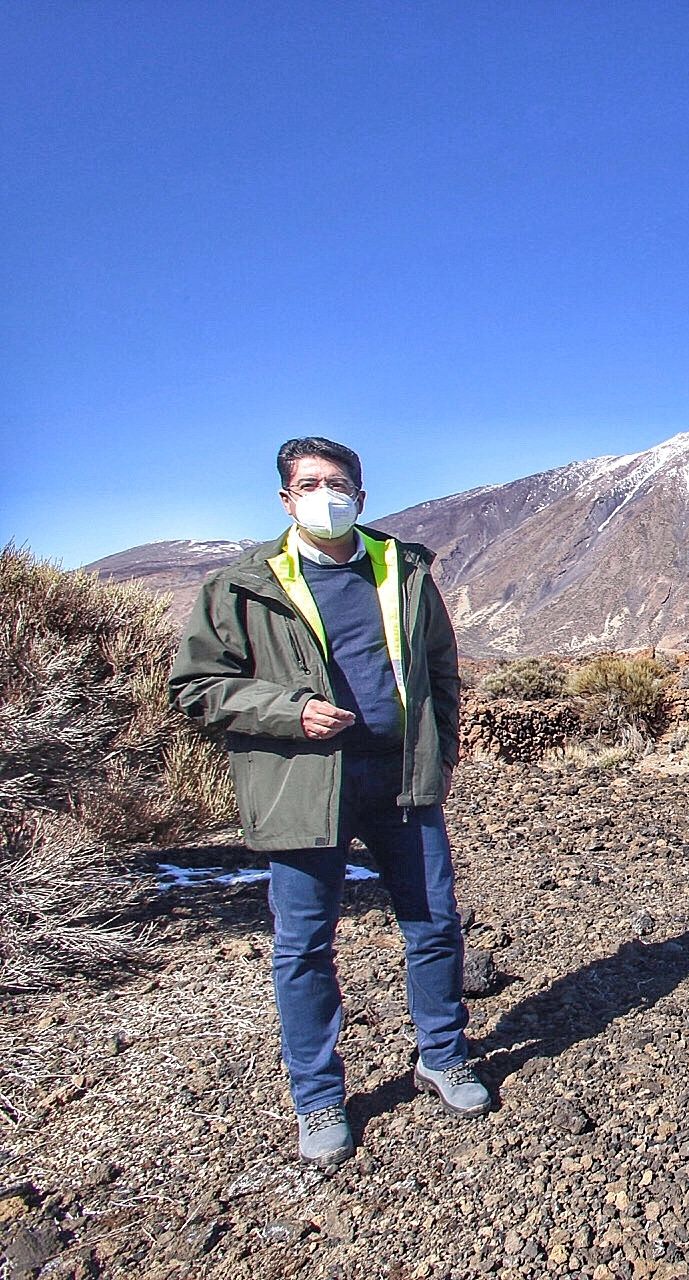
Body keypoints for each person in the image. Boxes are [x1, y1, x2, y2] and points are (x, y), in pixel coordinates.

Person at [169, 437, 493, 1167]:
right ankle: (318, 1098)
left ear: (362, 496)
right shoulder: (244, 585)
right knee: (305, 947)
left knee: (435, 923)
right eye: (309, 483)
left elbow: (440, 664)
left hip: (400, 780)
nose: (325, 493)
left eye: (337, 482)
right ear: (285, 499)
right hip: (305, 785)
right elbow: (196, 687)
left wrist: (442, 749)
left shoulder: (402, 570)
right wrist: (290, 711)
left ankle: (442, 1057)